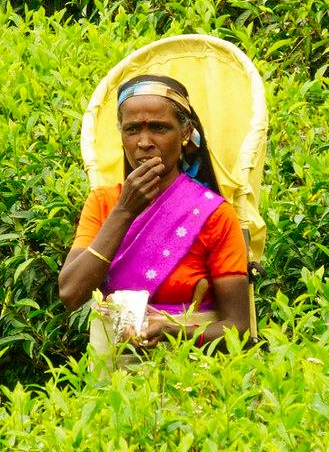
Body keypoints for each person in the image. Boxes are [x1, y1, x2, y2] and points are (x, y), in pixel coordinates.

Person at [57, 73, 253, 353]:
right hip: (113, 375)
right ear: (121, 134)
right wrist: (125, 210)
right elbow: (70, 293)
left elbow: (238, 326)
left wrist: (175, 332)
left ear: (185, 133)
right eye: (133, 129)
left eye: (160, 128)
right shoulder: (104, 203)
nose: (144, 142)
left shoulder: (214, 214)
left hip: (192, 371)